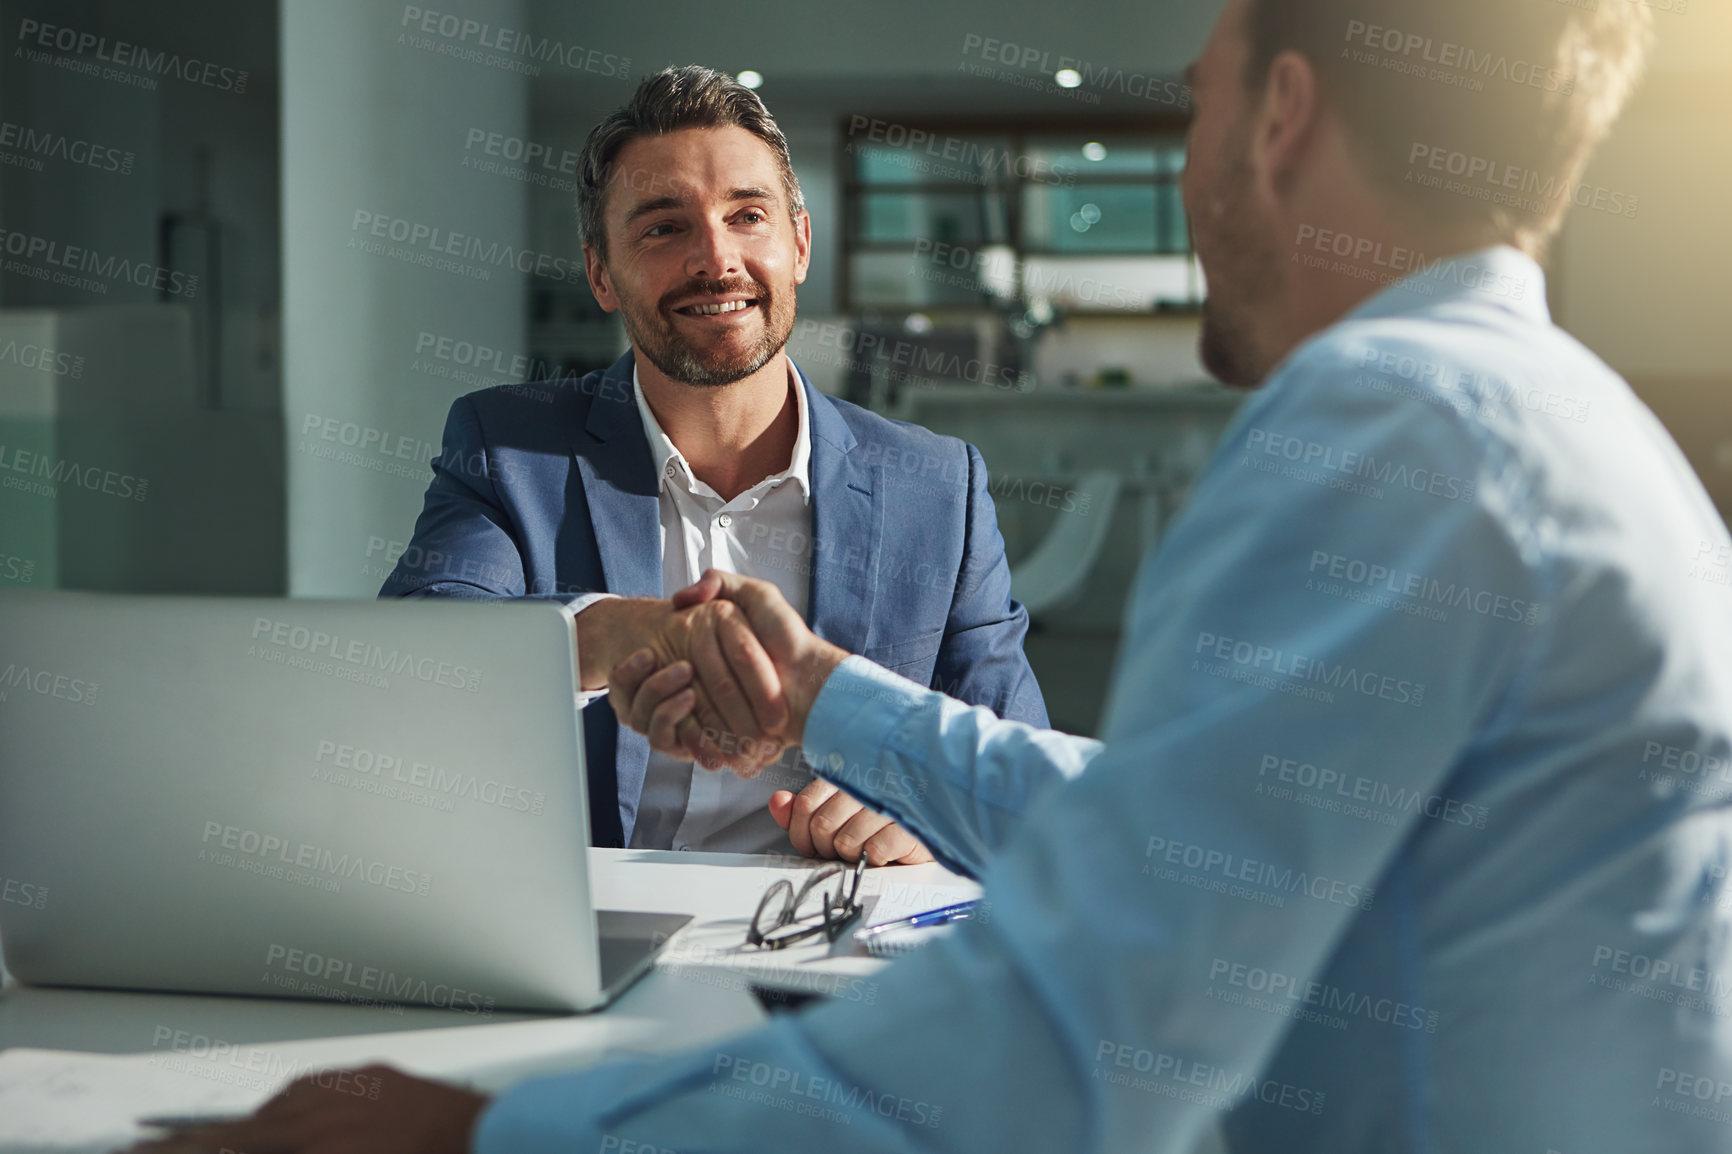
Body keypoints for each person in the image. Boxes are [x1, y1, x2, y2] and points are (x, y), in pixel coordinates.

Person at [137, 0, 1732, 1151]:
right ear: (604, 265)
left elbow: (1077, 1038)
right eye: (666, 224)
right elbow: (1159, 841)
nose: (1181, 170)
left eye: (1191, 105)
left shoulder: (1387, 435)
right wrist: (832, 705)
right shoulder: (1550, 421)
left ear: (1281, 118)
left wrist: (494, 1136)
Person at [378, 66, 1047, 864]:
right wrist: (618, 634)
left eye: (748, 216)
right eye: (664, 227)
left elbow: (1021, 776)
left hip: (835, 948)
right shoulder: (506, 447)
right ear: (601, 272)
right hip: (585, 952)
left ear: (798, 244)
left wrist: (933, 816)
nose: (716, 258)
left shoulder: (938, 489)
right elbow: (418, 662)